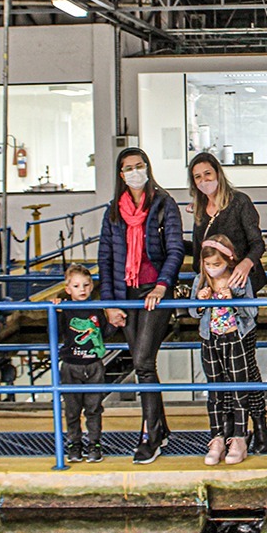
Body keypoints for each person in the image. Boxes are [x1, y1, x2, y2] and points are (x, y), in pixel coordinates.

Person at [98, 147, 185, 465]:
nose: (135, 171)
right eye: (128, 168)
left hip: (155, 293)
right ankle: (160, 428)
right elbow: (105, 260)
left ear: (147, 168)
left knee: (145, 363)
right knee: (141, 364)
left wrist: (163, 285)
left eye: (140, 165)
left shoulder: (164, 204)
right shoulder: (113, 212)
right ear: (121, 175)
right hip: (125, 294)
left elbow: (175, 249)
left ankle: (150, 436)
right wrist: (109, 304)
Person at [189, 152, 267, 453]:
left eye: (208, 174)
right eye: (198, 177)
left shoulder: (239, 202)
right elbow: (200, 252)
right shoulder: (200, 211)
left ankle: (259, 426)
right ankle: (228, 431)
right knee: (219, 372)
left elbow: (258, 242)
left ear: (218, 174)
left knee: (247, 367)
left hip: (240, 291)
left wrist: (245, 265)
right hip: (213, 296)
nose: (204, 181)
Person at [190, 234, 263, 465]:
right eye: (208, 265)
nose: (212, 270)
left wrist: (233, 300)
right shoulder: (200, 281)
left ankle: (239, 438)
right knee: (215, 390)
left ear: (229, 261)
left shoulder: (240, 280)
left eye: (217, 265)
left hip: (235, 339)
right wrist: (200, 303)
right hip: (210, 341)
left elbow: (252, 312)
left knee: (239, 389)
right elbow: (193, 312)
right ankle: (217, 438)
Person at [57, 264, 106, 464]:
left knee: (94, 407)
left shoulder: (97, 308)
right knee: (72, 408)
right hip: (71, 364)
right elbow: (54, 333)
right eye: (76, 286)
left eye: (86, 285)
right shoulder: (64, 309)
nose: (82, 290)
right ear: (68, 289)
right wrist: (57, 309)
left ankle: (94, 443)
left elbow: (106, 331)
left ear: (92, 286)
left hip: (94, 364)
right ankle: (74, 443)